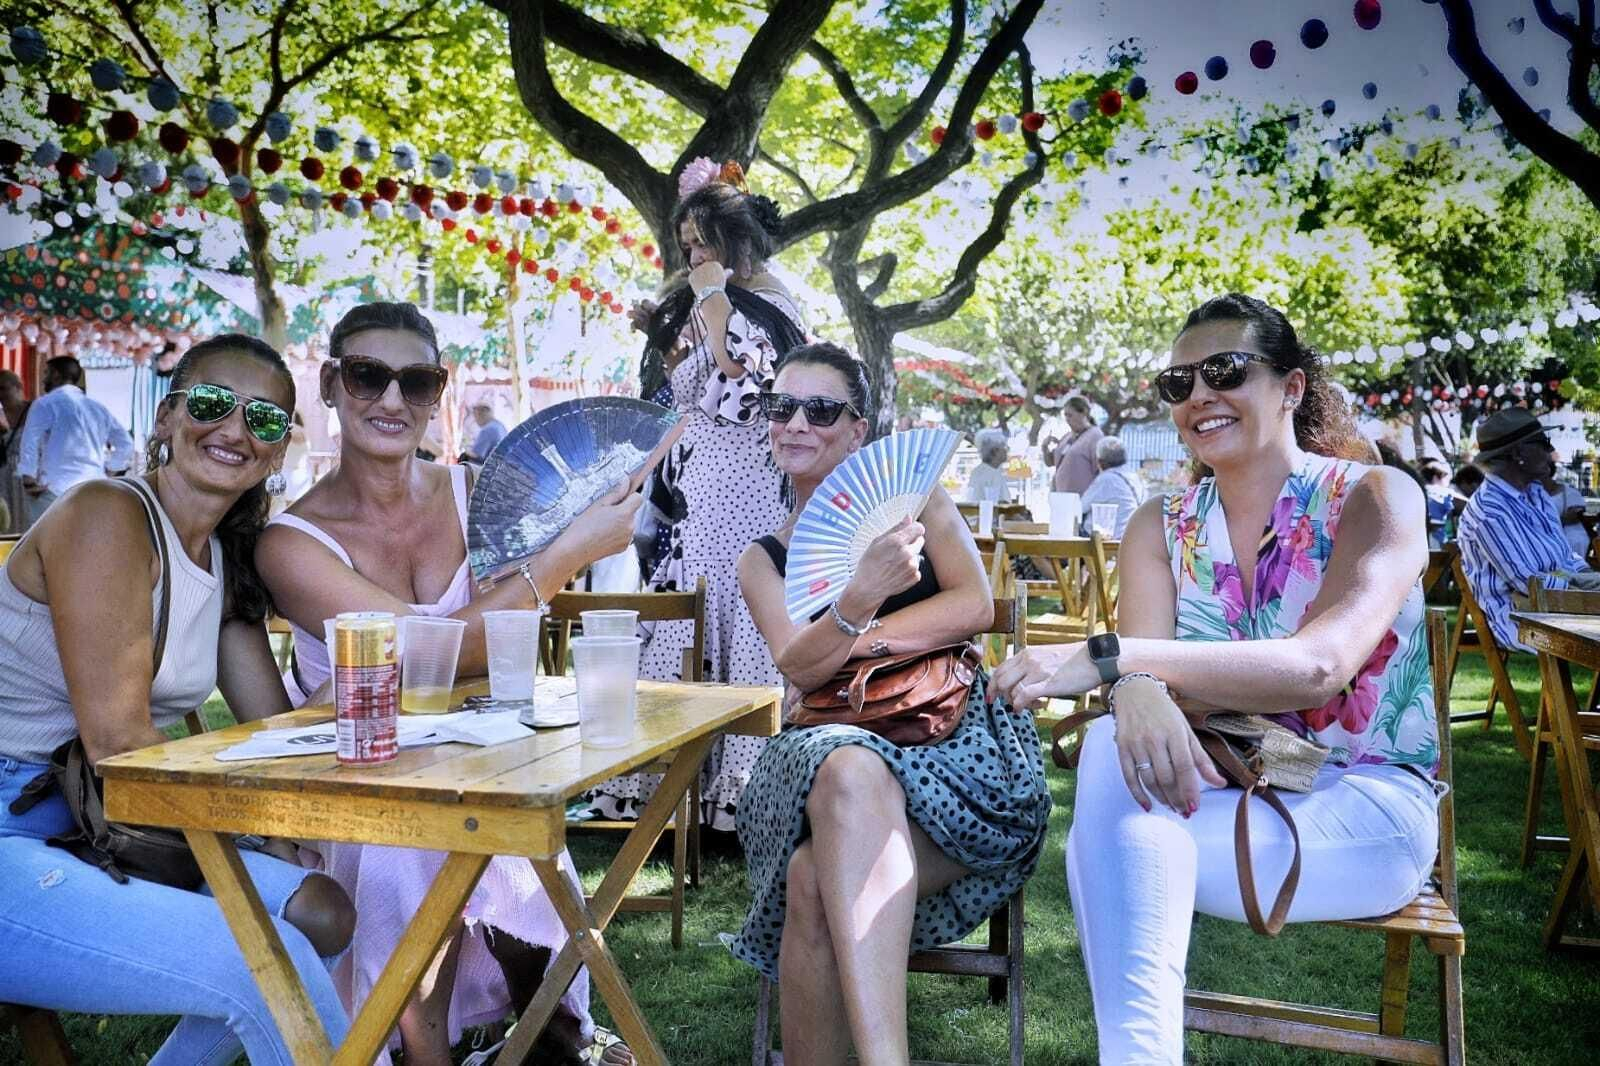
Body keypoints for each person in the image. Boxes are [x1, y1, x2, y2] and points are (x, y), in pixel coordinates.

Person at [991, 293, 1441, 1062]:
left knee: (1114, 845)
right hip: (1231, 782)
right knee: (1111, 765)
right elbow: (1144, 678)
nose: (1200, 394)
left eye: (1226, 371)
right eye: (1179, 383)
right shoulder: (1161, 523)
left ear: (1291, 388)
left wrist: (1116, 660)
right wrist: (1133, 685)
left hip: (1365, 802)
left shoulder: (1375, 496)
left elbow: (1319, 667)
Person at [256, 302, 640, 1066]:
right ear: (329, 383)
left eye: (416, 382)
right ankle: (442, 1050)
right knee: (421, 849)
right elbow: (430, 650)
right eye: (367, 376)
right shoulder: (289, 543)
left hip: (486, 764)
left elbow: (503, 643)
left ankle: (549, 1041)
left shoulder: (478, 493)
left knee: (508, 831)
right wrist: (567, 554)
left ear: (440, 391)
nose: (391, 400)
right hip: (359, 785)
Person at [0, 333, 354, 1064]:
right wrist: (254, 829)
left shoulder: (224, 556)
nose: (235, 429)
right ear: (166, 417)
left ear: (277, 451)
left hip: (98, 821)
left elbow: (275, 733)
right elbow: (119, 742)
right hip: (20, 823)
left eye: (263, 419)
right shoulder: (106, 513)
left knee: (321, 914)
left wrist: (384, 667)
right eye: (214, 403)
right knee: (271, 965)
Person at [731, 342, 1051, 1065]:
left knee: (811, 877)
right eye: (783, 406)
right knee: (849, 767)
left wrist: (857, 644)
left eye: (821, 409)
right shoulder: (762, 559)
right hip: (827, 749)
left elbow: (973, 606)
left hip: (954, 749)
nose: (796, 423)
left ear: (858, 430)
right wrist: (861, 594)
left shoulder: (918, 501)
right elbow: (796, 663)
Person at [587, 162, 808, 830]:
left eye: (701, 244)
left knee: (738, 618)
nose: (692, 258)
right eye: (686, 248)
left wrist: (711, 294)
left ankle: (738, 797)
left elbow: (745, 379)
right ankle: (672, 791)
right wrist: (663, 343)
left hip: (747, 489)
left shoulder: (771, 302)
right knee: (688, 616)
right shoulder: (716, 301)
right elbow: (686, 401)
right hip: (698, 493)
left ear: (733, 241)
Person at [1454, 407, 1600, 653]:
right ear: (1518, 453)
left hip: (1559, 605)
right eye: (1543, 442)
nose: (1550, 450)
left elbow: (1565, 558)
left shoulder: (1536, 492)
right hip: (1522, 620)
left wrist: (1589, 582)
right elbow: (1529, 582)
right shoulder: (1489, 511)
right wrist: (1588, 593)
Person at [15, 356, 135, 530]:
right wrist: (110, 469)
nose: (43, 379)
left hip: (54, 489)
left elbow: (30, 442)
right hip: (93, 486)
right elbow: (126, 443)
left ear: (56, 375)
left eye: (46, 373)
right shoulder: (96, 407)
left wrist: (28, 477)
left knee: (51, 541)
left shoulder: (44, 404)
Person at [1078, 435, 1144, 537]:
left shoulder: (1107, 479)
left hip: (1109, 537)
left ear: (1100, 462)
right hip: (1130, 535)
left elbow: (1080, 507)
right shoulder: (1134, 477)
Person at [1049, 395, 1103, 494]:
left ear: (1084, 413)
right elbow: (1051, 462)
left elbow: (1100, 469)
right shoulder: (1067, 436)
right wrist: (1045, 448)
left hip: (1082, 496)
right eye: (1065, 415)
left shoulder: (1095, 436)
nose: (1067, 419)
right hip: (1061, 494)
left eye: (1070, 415)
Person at [0, 369, 29, 533]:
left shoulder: (35, 411)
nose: (0, 394)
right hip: (3, 475)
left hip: (27, 476)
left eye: (3, 388)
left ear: (18, 387)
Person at [1542, 471, 1592, 559]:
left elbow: (1575, 515)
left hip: (1570, 534)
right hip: (1543, 532)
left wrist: (1550, 522)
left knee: (1575, 541)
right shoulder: (1530, 492)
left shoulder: (1570, 492)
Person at [963, 428, 1012, 503]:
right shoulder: (991, 474)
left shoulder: (979, 471)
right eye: (1004, 447)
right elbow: (1001, 504)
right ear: (995, 451)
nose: (1007, 450)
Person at [1419, 460, 1454, 548]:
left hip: (1420, 537)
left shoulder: (1419, 491)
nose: (1448, 481)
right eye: (1445, 477)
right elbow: (1451, 509)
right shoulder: (1445, 493)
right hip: (1438, 537)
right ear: (1435, 477)